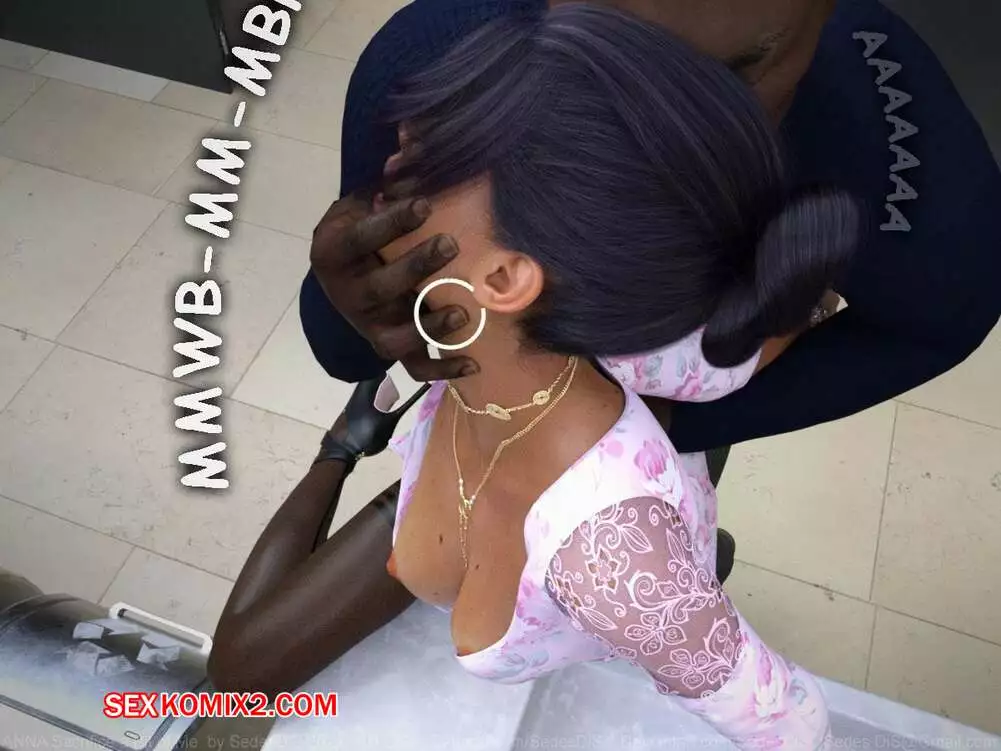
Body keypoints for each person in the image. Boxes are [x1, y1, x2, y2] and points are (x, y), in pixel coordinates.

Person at [219, 8, 864, 746]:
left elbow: (788, 722)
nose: (387, 165)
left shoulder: (612, 559)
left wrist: (663, 610)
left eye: (423, 168)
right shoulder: (610, 347)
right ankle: (348, 440)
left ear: (503, 278)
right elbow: (728, 353)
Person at [303, 0, 1001, 458]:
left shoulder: (908, 174)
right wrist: (355, 306)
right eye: (588, 54)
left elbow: (937, 327)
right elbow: (347, 346)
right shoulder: (432, 52)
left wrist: (671, 426)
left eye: (731, 76)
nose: (638, 144)